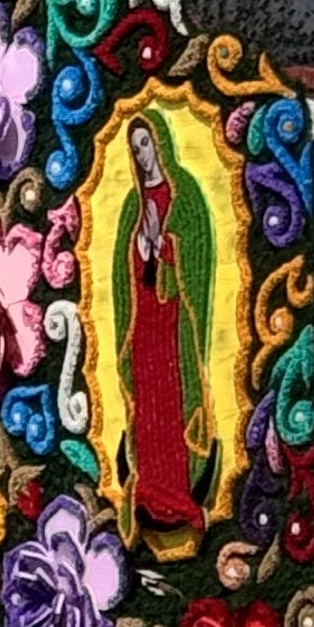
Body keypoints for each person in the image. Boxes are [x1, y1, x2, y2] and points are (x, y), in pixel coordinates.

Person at [120, 112, 210, 545]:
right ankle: (151, 492)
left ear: (160, 144)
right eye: (135, 148)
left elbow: (198, 262)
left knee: (171, 404)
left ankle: (178, 491)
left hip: (173, 323)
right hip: (145, 328)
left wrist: (167, 248)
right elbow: (126, 280)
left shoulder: (185, 195)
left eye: (146, 144)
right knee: (148, 408)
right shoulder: (131, 209)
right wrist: (141, 248)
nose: (142, 155)